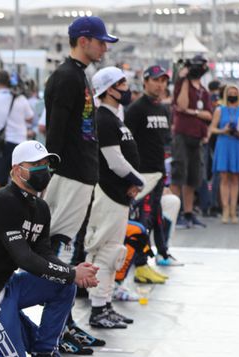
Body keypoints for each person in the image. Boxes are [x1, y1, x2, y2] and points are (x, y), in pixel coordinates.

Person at [0, 140, 100, 357]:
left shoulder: (40, 207)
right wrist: (72, 273)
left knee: (64, 284)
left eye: (46, 164)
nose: (44, 169)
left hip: (7, 286)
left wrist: (70, 272)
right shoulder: (3, 201)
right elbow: (24, 258)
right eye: (36, 164)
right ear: (16, 170)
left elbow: (44, 253)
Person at [43, 15, 116, 354]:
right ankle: (57, 328)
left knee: (68, 246)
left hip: (80, 174)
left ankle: (64, 322)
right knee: (61, 246)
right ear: (83, 40)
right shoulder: (66, 77)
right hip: (69, 174)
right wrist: (51, 170)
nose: (105, 47)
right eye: (101, 41)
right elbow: (55, 130)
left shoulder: (78, 75)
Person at [86, 67, 144, 329]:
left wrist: (132, 182)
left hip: (118, 195)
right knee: (105, 252)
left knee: (114, 252)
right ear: (109, 89)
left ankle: (106, 304)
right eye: (121, 83)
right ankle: (98, 309)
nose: (126, 88)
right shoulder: (104, 120)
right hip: (109, 193)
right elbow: (114, 161)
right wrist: (137, 180)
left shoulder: (114, 118)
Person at [123, 65, 183, 276]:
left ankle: (162, 253)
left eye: (164, 81)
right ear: (146, 80)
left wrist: (165, 180)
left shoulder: (163, 109)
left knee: (156, 217)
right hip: (142, 175)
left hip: (158, 174)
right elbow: (126, 144)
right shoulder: (136, 109)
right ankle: (139, 265)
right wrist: (132, 177)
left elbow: (163, 144)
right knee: (143, 220)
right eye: (156, 80)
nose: (160, 85)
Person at [171, 54, 213, 229]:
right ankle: (174, 213)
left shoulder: (204, 90)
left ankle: (188, 213)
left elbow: (209, 115)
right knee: (178, 174)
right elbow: (181, 105)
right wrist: (184, 79)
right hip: (182, 134)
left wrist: (193, 112)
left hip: (197, 137)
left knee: (193, 177)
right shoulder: (182, 85)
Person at [0, 70, 34, 196]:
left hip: (0, 143)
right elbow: (30, 117)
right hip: (19, 142)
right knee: (19, 178)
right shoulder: (20, 98)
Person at [209, 83, 239, 223]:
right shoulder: (219, 110)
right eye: (230, 92)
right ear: (226, 94)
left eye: (235, 93)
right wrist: (223, 130)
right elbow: (212, 128)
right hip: (223, 144)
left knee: (235, 179)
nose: (233, 95)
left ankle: (233, 210)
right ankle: (225, 209)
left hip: (237, 144)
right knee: (224, 178)